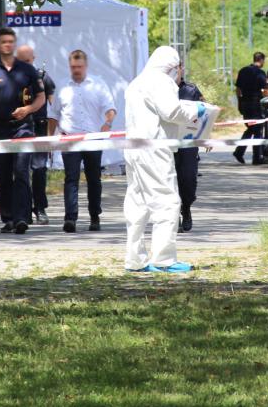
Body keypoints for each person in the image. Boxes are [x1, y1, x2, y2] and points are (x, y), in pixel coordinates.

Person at [123, 46, 218, 273]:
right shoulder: (162, 82)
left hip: (133, 148)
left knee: (137, 204)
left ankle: (135, 260)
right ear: (173, 67)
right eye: (178, 69)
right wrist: (197, 113)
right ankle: (164, 260)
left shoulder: (136, 82)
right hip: (154, 148)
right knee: (167, 201)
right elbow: (171, 112)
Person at [0, 28, 46, 235]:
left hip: (23, 128)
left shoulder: (27, 70)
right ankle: (9, 218)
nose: (7, 45)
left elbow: (41, 98)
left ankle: (22, 218)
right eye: (4, 41)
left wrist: (28, 109)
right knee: (3, 174)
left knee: (21, 171)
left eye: (11, 41)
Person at [48, 50, 116, 233]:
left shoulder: (98, 84)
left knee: (94, 179)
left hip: (93, 138)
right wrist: (50, 137)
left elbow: (110, 107)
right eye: (73, 67)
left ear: (85, 66)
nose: (76, 70)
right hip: (69, 139)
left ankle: (95, 216)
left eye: (79, 67)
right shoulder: (62, 86)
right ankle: (70, 218)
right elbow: (53, 114)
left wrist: (107, 123)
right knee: (71, 178)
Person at [16, 45, 56, 225]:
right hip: (18, 128)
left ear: (34, 58)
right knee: (20, 170)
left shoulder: (43, 77)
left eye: (28, 61)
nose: (26, 64)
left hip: (39, 127)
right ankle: (23, 211)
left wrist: (52, 132)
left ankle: (40, 208)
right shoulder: (13, 78)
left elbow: (52, 105)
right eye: (22, 61)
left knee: (39, 169)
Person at [174, 76, 205, 233]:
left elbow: (204, 113)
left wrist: (206, 136)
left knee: (188, 179)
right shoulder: (160, 90)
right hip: (167, 142)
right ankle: (174, 218)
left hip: (188, 143)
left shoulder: (191, 90)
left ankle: (186, 207)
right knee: (170, 180)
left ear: (180, 69)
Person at [233, 51, 268, 165]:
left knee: (250, 128)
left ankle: (239, 152)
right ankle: (256, 158)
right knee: (257, 130)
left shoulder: (243, 71)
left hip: (245, 104)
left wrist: (240, 102)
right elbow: (265, 91)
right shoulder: (260, 73)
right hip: (255, 104)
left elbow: (238, 90)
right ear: (261, 60)